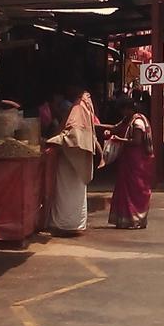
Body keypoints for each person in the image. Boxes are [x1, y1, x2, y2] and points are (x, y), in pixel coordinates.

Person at [47, 88, 101, 234]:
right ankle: (75, 223)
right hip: (79, 156)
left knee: (67, 190)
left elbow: (72, 135)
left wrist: (54, 141)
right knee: (76, 190)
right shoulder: (84, 107)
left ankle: (65, 225)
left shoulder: (78, 109)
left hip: (70, 155)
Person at [107, 97, 155, 229]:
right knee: (125, 189)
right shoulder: (127, 120)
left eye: (124, 110)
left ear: (129, 109)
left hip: (137, 162)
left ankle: (136, 219)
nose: (122, 113)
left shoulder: (137, 122)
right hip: (128, 160)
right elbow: (115, 128)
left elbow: (136, 141)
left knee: (136, 189)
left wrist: (119, 139)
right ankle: (125, 219)